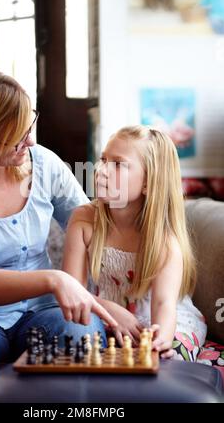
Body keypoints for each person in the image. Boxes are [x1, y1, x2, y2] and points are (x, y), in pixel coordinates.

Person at [0, 67, 117, 402]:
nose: (30, 141)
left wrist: (105, 300)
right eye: (16, 134)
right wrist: (54, 279)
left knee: (81, 326)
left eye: (30, 124)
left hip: (48, 316)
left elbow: (94, 229)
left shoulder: (43, 164)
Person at [62, 125, 207, 360]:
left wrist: (161, 340)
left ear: (148, 182)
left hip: (163, 321)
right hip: (105, 314)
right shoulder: (83, 219)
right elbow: (71, 291)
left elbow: (163, 305)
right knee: (80, 346)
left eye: (118, 164)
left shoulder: (163, 242)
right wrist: (112, 311)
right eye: (103, 159)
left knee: (166, 358)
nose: (101, 170)